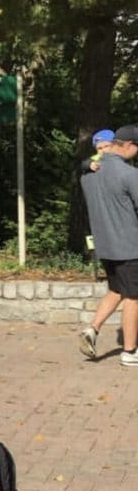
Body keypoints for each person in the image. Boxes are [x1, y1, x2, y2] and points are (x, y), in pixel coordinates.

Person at [78, 124, 138, 366]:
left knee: (117, 290)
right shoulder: (130, 174)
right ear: (129, 145)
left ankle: (92, 329)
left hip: (105, 246)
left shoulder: (88, 175)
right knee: (134, 298)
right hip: (130, 246)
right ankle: (130, 352)